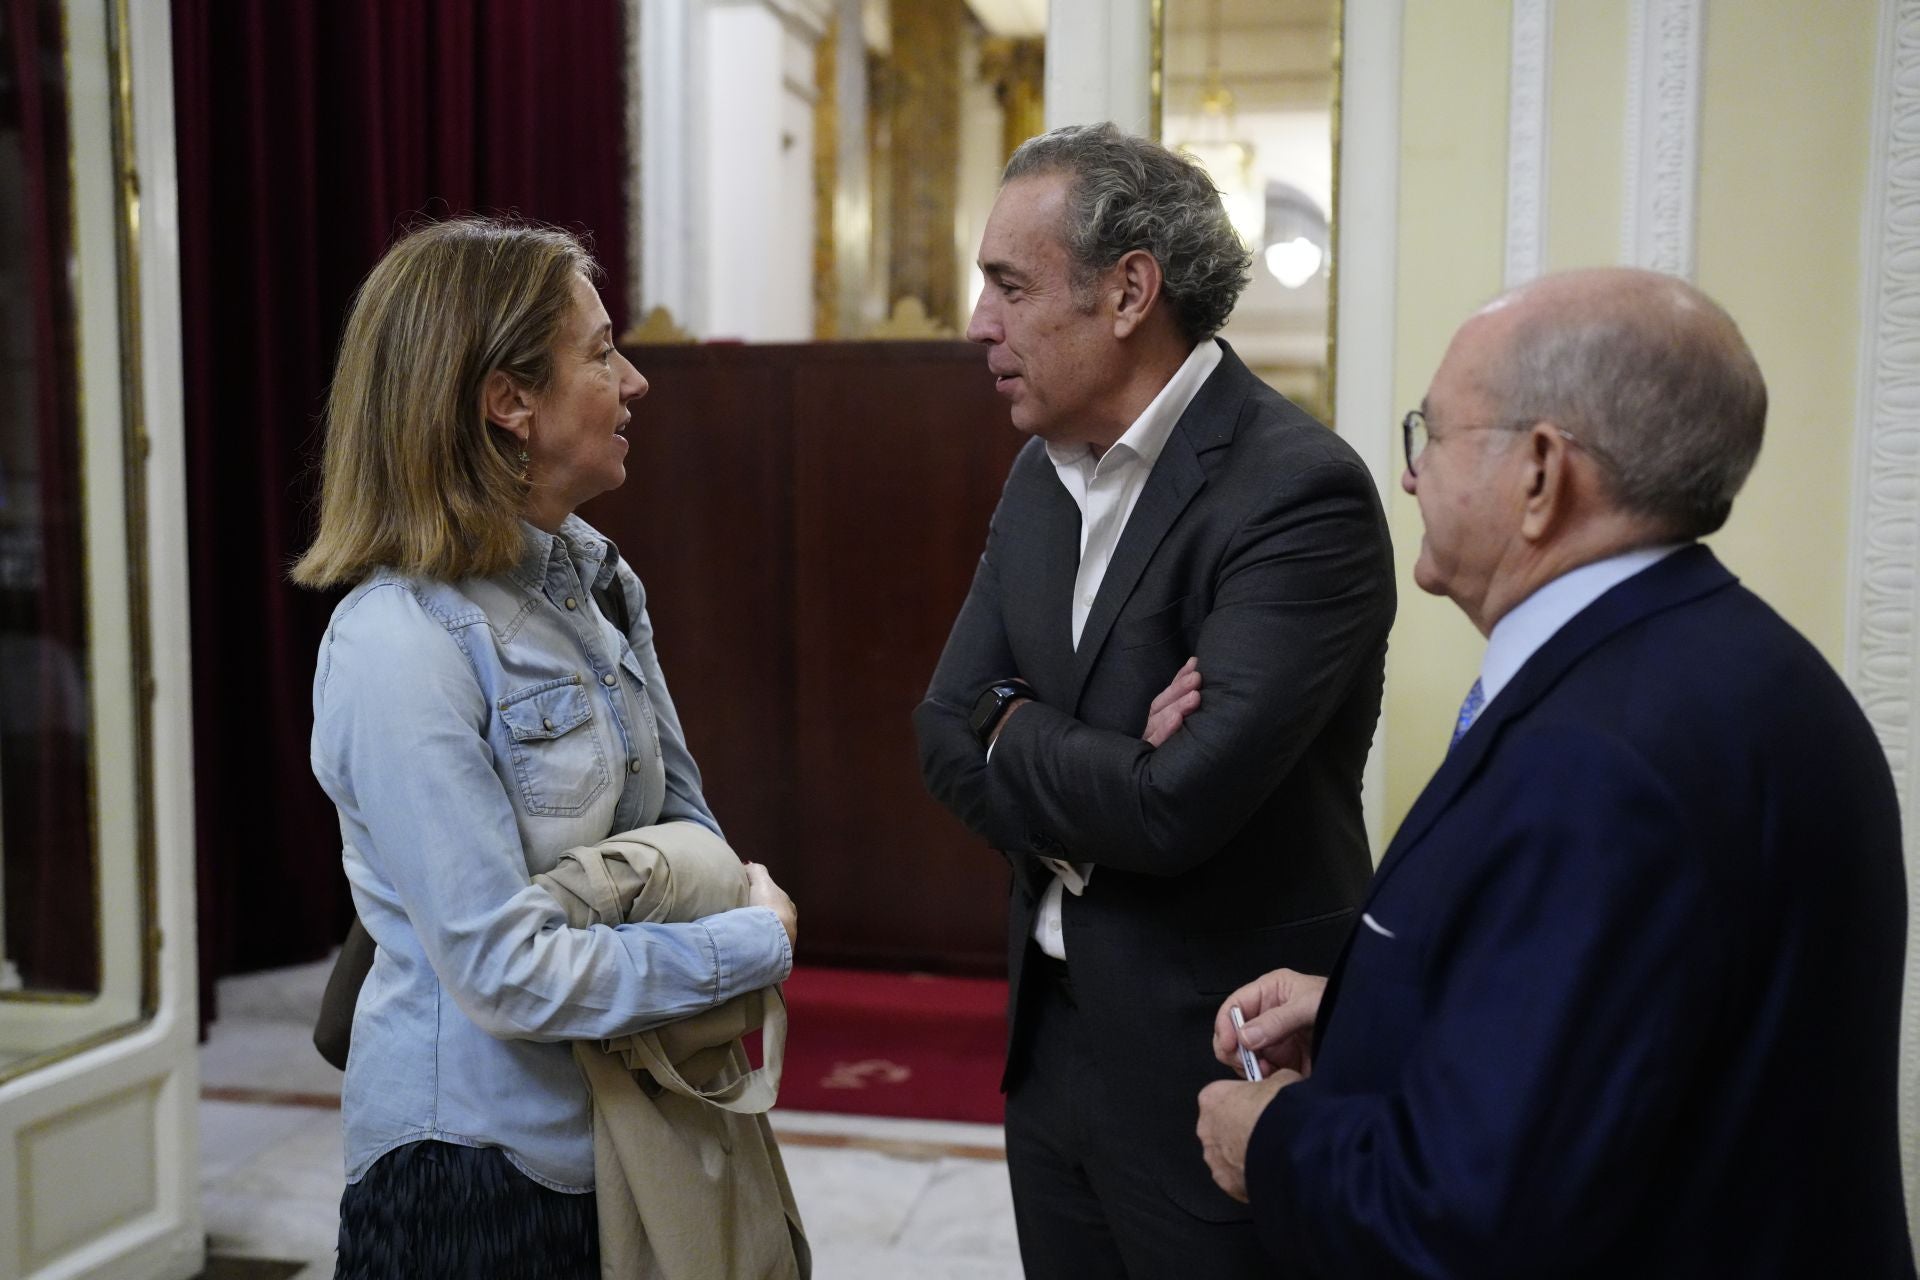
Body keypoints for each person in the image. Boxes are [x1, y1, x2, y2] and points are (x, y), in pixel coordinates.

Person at [1197, 267, 1916, 1277]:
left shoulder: (1600, 762)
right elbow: (1632, 1030)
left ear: (1541, 472)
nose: (1410, 476)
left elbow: (1473, 1218)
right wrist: (1367, 1015)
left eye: (1430, 434)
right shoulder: (1742, 662)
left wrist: (1270, 1139)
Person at [914, 122, 1396, 1276]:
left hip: (1220, 1054)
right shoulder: (1042, 472)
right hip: (1051, 1037)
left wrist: (1017, 724)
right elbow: (943, 728)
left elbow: (1177, 805)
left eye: (1010, 285)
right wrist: (1109, 760)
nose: (979, 322)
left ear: (1129, 291)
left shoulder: (1297, 491)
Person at [292, 217, 799, 1279]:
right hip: (474, 1177)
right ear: (507, 401)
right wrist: (750, 942)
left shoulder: (600, 580)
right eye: (602, 352)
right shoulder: (399, 641)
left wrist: (699, 896)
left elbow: (688, 835)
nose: (634, 382)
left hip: (627, 1128)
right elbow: (505, 973)